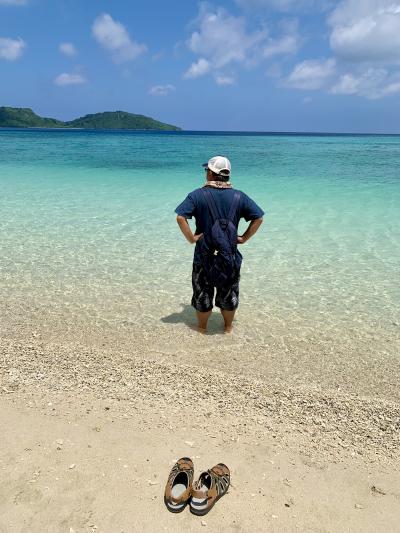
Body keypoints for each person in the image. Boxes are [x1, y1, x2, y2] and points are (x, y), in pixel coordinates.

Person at [175, 155, 264, 334]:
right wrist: (244, 238)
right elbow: (258, 217)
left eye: (206, 170)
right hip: (229, 255)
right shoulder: (239, 196)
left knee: (202, 293)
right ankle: (228, 328)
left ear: (211, 172)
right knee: (229, 293)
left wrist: (191, 238)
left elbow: (180, 217)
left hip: (204, 255)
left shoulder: (197, 195)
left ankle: (201, 329)